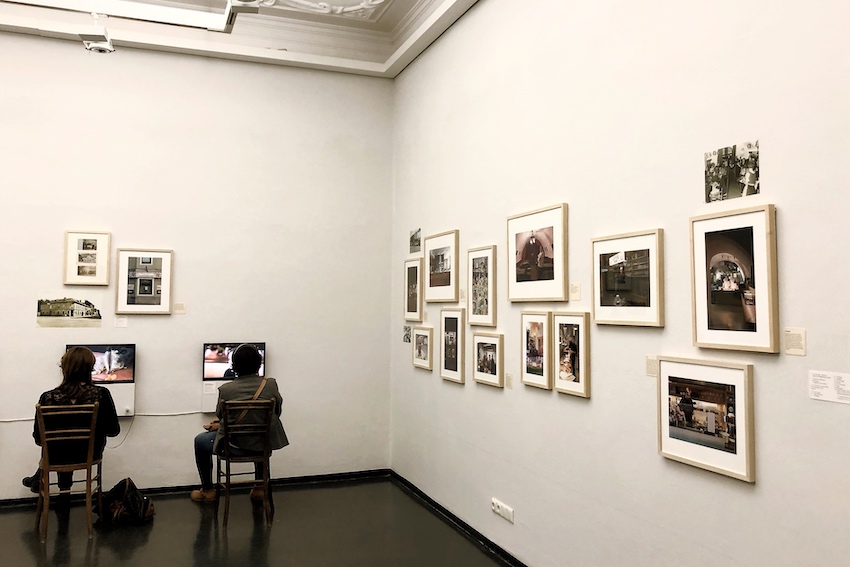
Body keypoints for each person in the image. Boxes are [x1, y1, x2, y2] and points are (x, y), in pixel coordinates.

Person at [192, 344, 289, 502]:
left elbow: (221, 416)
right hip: (262, 444)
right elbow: (276, 412)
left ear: (234, 366)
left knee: (200, 441)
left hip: (233, 446)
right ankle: (259, 488)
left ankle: (208, 491)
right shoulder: (270, 384)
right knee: (260, 436)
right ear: (258, 364)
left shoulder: (226, 389)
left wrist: (220, 425)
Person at [22, 346, 120, 494]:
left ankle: (62, 492)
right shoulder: (101, 395)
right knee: (70, 446)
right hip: (89, 455)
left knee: (59, 447)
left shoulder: (48, 397)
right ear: (90, 368)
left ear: (64, 369)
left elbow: (38, 439)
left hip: (56, 457)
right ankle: (52, 487)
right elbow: (113, 430)